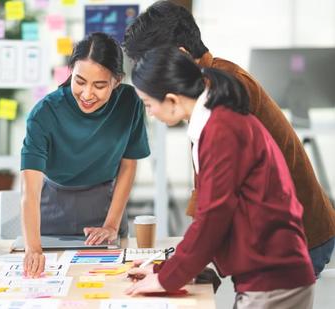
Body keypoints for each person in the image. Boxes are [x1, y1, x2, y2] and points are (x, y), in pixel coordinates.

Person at [123, 0, 335, 276]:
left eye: (150, 64)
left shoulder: (222, 92)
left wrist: (178, 268)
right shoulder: (207, 85)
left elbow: (220, 198)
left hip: (292, 236)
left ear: (180, 56)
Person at [126, 45, 316, 308]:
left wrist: (166, 278)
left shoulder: (221, 128)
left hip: (272, 276)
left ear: (171, 99)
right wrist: (165, 271)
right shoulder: (216, 121)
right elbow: (212, 213)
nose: (150, 114)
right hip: (267, 271)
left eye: (148, 104)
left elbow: (214, 215)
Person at [21, 32, 150, 277]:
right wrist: (33, 247)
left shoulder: (130, 102)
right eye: (79, 81)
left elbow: (128, 164)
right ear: (70, 71)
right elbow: (30, 189)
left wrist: (111, 224)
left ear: (117, 80)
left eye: (99, 85)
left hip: (104, 210)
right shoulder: (44, 113)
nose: (87, 94)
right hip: (49, 214)